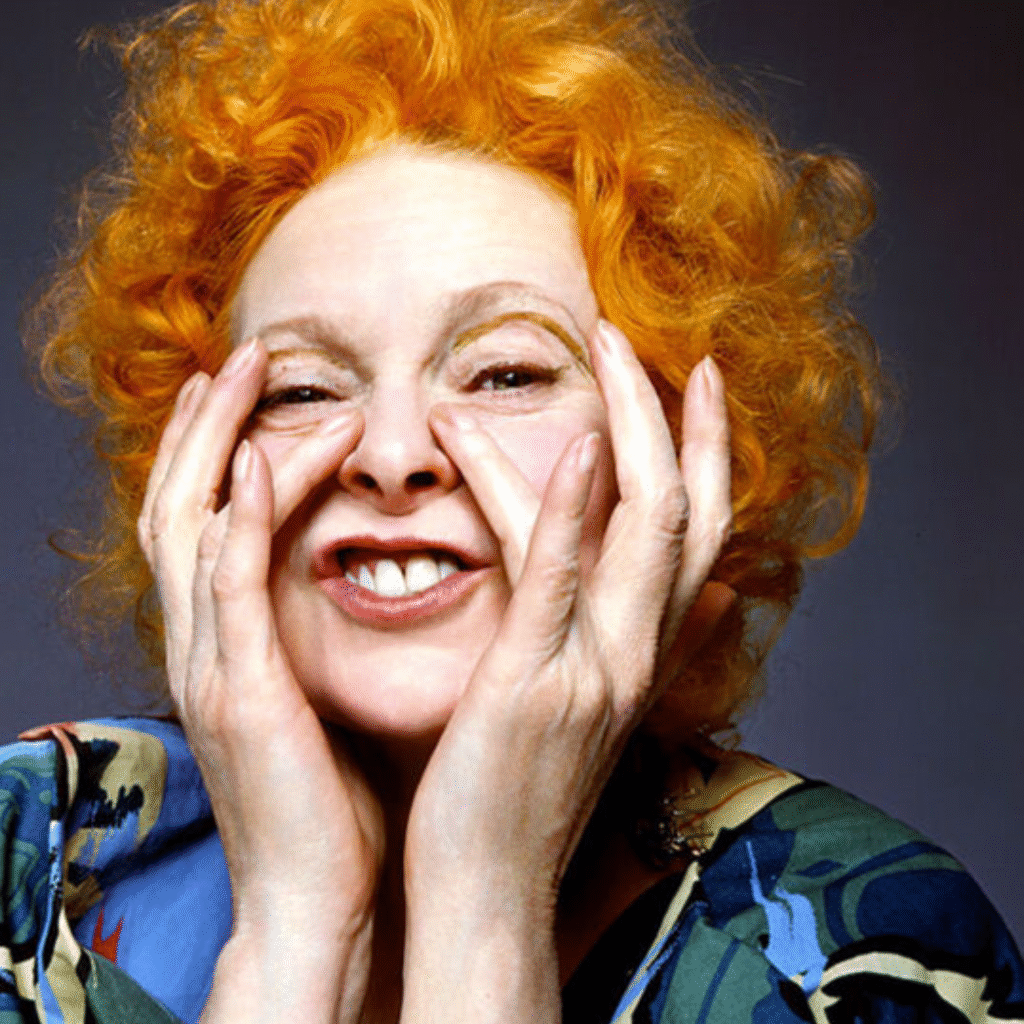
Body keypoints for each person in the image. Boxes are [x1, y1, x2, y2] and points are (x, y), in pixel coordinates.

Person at [2, 0, 1021, 1022]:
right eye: (301, 389)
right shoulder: (21, 880)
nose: (391, 456)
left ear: (668, 461)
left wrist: (483, 908)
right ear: (202, 473)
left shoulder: (862, 952)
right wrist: (294, 927)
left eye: (506, 374)